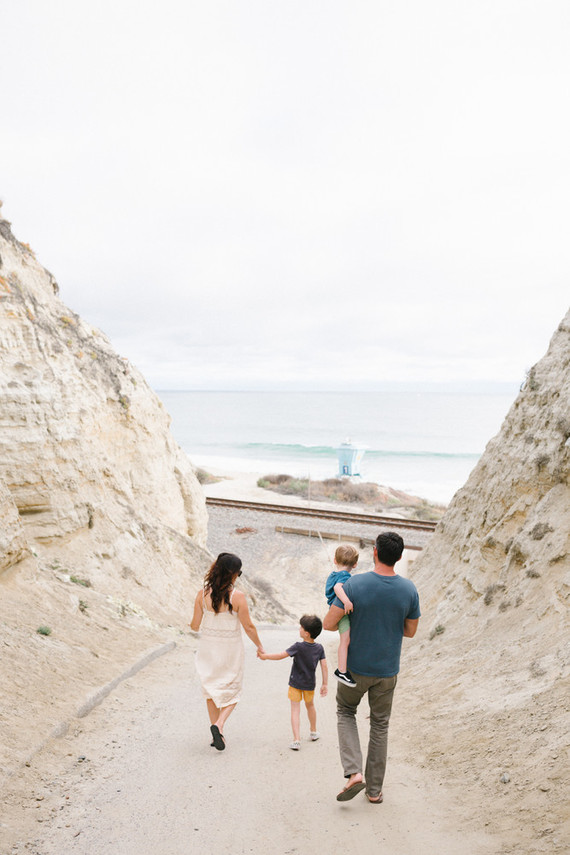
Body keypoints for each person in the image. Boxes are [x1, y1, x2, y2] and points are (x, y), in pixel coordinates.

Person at [323, 532, 420, 803]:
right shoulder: (409, 590)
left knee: (345, 711)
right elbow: (410, 631)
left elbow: (329, 624)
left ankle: (354, 773)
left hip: (354, 668)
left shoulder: (354, 585)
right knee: (380, 725)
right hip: (387, 671)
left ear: (375, 552)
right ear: (399, 557)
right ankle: (374, 791)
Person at [190, 552, 265, 751]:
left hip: (208, 648)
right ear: (233, 574)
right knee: (233, 690)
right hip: (230, 649)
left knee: (211, 689)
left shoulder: (202, 594)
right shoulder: (237, 596)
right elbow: (248, 626)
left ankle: (218, 735)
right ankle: (219, 725)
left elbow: (195, 625)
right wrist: (259, 645)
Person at [258, 614, 328, 750]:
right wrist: (324, 684)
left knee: (295, 710)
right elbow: (324, 666)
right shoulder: (319, 648)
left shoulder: (298, 646)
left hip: (295, 683)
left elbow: (280, 656)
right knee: (310, 706)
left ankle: (296, 740)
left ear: (306, 634)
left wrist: (265, 656)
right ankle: (313, 732)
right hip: (309, 685)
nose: (299, 629)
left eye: (301, 627)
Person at [325, 544, 359, 687]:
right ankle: (342, 671)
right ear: (355, 564)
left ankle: (342, 669)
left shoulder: (333, 574)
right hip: (342, 613)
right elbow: (337, 587)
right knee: (345, 641)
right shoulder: (345, 575)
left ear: (334, 560)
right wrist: (346, 601)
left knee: (344, 640)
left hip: (332, 607)